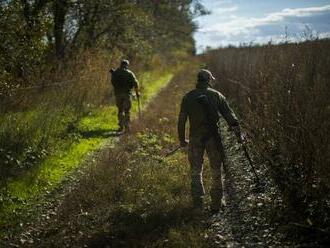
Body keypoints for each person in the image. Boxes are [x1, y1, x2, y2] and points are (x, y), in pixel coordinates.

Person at [177, 69, 241, 213]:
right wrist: (238, 135)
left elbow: (181, 121)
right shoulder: (217, 95)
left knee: (195, 172)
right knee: (216, 170)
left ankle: (198, 206)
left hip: (195, 138)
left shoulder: (188, 97)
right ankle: (216, 205)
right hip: (213, 137)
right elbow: (230, 117)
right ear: (209, 80)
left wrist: (182, 140)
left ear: (198, 80)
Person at [111, 59, 139, 132]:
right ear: (126, 65)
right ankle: (127, 126)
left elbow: (113, 82)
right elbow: (135, 83)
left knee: (120, 110)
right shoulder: (129, 73)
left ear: (120, 64)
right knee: (127, 111)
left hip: (118, 94)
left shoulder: (115, 72)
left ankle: (120, 126)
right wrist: (137, 93)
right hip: (127, 94)